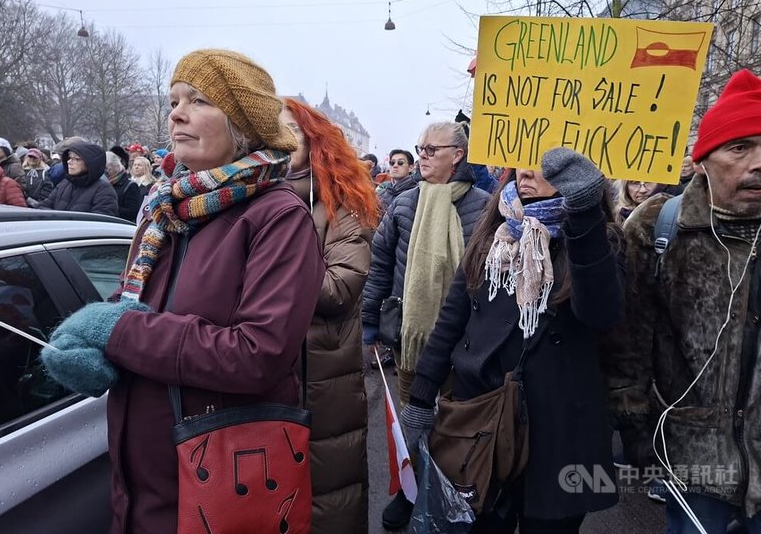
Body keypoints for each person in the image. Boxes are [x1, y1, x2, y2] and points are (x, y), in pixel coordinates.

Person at [40, 49, 325, 534]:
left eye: (199, 100)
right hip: (137, 493)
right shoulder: (163, 209)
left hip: (218, 488)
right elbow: (139, 308)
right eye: (174, 99)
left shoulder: (278, 217)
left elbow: (258, 354)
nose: (176, 112)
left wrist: (119, 332)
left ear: (243, 123)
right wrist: (91, 343)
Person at [402, 149, 623, 533]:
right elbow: (454, 317)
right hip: (481, 418)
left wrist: (584, 215)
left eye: (543, 162)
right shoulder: (495, 230)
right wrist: (422, 396)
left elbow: (601, 315)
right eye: (522, 158)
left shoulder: (600, 237)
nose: (525, 169)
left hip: (561, 431)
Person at [619, 69, 761, 533]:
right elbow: (628, 340)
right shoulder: (659, 227)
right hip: (694, 460)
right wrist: (634, 423)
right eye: (740, 147)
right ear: (702, 161)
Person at [362, 121, 490, 530]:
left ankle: (450, 494)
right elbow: (380, 266)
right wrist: (369, 322)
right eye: (420, 149)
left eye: (432, 150)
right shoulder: (403, 203)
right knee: (410, 420)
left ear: (458, 154)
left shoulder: (485, 206)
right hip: (410, 338)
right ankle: (408, 490)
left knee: (452, 423)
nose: (422, 157)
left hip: (462, 344)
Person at [282, 97, 379, 534]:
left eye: (292, 131)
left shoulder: (338, 205)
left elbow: (339, 289)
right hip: (264, 375)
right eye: (271, 131)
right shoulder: (242, 199)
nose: (281, 141)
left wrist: (267, 271)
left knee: (327, 497)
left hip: (323, 377)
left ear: (314, 141)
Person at [38, 142, 119, 216]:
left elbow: (101, 222)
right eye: (69, 158)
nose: (69, 162)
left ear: (90, 163)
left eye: (76, 159)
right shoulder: (64, 184)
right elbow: (43, 207)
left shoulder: (104, 190)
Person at [376, 148, 417, 213]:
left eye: (400, 162)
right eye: (392, 162)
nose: (395, 165)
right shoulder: (382, 194)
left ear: (410, 168)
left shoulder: (416, 193)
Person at [105, 151, 142, 221]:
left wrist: (111, 207)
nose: (106, 171)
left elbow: (133, 212)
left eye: (108, 168)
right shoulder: (103, 183)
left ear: (116, 166)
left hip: (121, 226)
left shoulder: (130, 186)